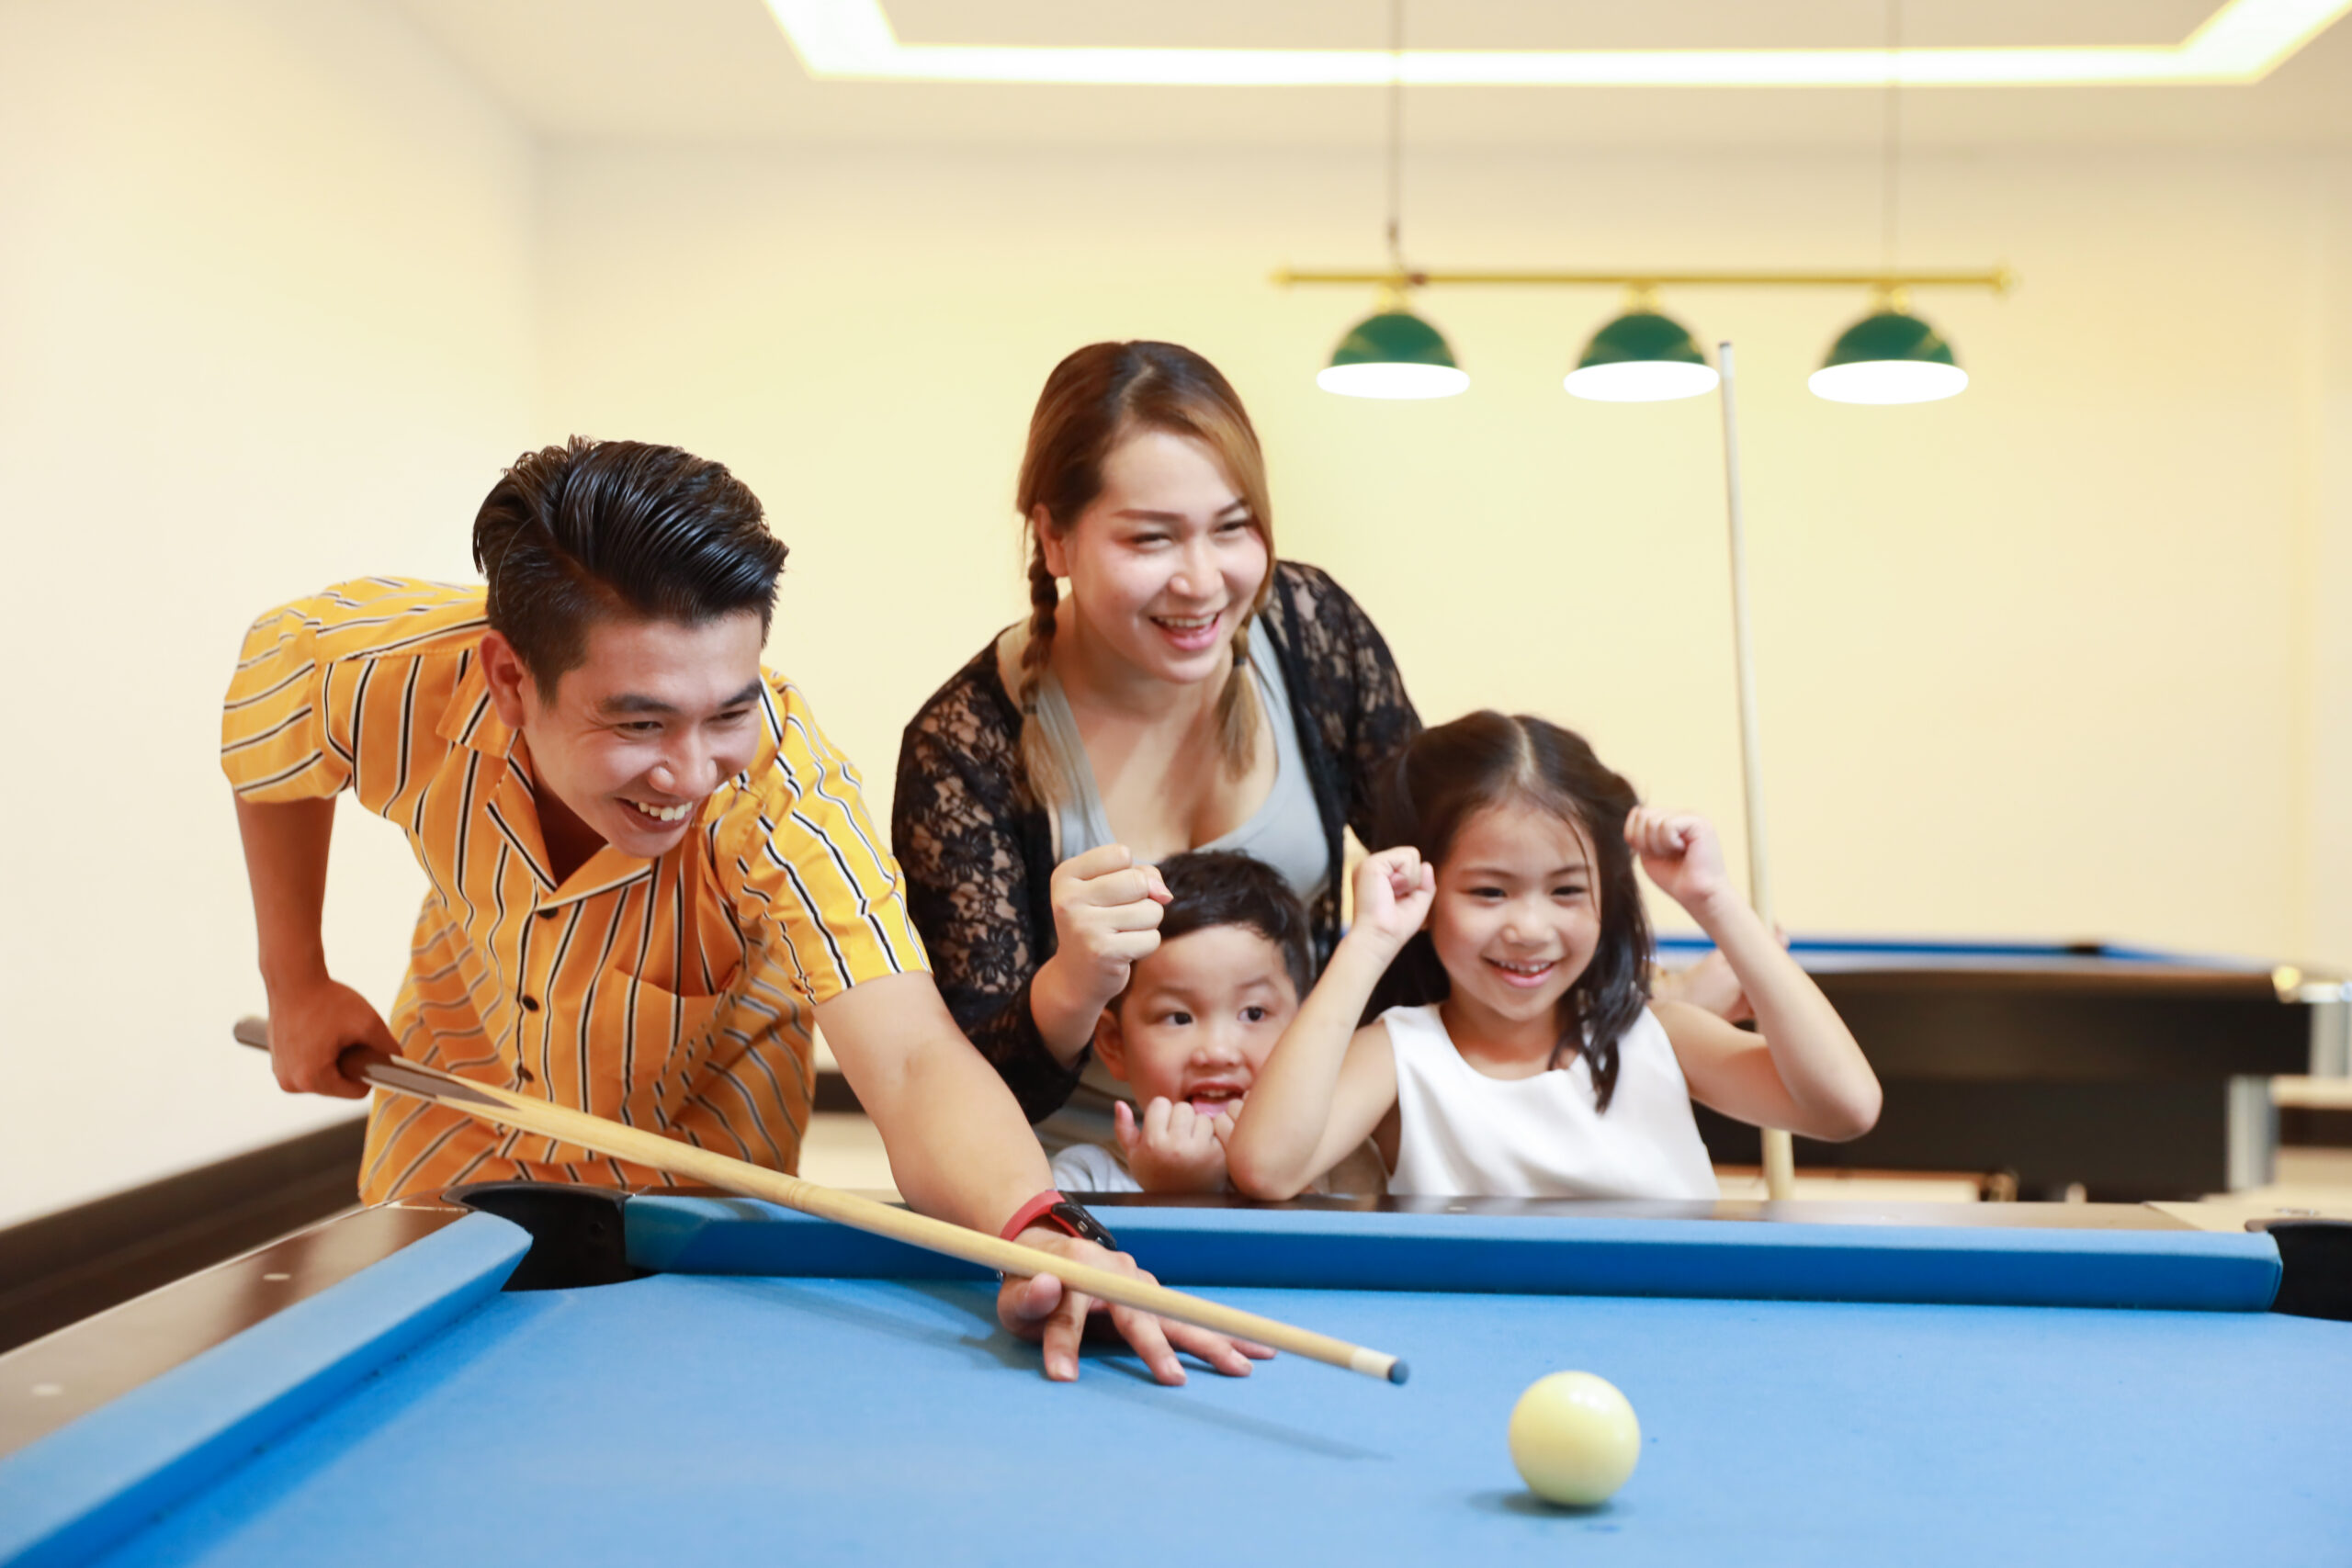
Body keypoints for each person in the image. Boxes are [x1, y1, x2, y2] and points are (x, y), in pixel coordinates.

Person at [220, 436, 1259, 1384]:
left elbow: (907, 1058)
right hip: (454, 1086)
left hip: (696, 1149)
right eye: (638, 721)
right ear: (508, 677)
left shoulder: (785, 797)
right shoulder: (378, 670)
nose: (687, 772)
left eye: (729, 710)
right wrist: (295, 977)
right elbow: (276, 703)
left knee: (655, 1402)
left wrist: (1038, 1226)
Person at [893, 341, 1419, 1155]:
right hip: (1086, 1185)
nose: (1203, 580)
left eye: (1233, 528)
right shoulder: (967, 745)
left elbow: (1437, 895)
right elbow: (964, 1077)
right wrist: (1071, 985)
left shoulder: (1315, 632)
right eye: (1151, 540)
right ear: (1055, 539)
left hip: (1297, 1157)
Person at [1225, 711, 1883, 1200]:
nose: (1529, 928)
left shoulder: (1659, 1036)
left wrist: (1713, 899)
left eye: (1567, 890)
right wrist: (1369, 939)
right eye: (1489, 891)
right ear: (1425, 895)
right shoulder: (1399, 1054)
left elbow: (1845, 1106)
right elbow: (1265, 1167)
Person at [1046, 851, 1383, 1196]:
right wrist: (1174, 1195)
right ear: (1115, 1044)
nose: (1217, 1052)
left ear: (1304, 1033)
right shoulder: (1082, 1181)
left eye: (1253, 1013)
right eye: (1179, 1018)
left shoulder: (1341, 1165)